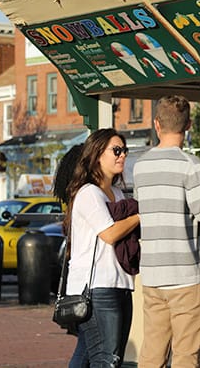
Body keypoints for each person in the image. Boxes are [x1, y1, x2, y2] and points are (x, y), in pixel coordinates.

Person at [132, 95, 200, 368]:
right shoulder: (191, 166)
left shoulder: (141, 166)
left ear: (157, 124)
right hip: (186, 275)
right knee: (187, 355)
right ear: (189, 125)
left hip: (152, 275)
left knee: (152, 352)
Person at [63, 129, 140, 367]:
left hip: (120, 284)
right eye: (116, 150)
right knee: (107, 358)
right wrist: (141, 216)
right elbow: (109, 234)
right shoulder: (89, 193)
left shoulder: (116, 193)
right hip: (97, 288)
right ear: (97, 155)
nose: (122, 155)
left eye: (124, 150)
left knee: (88, 354)